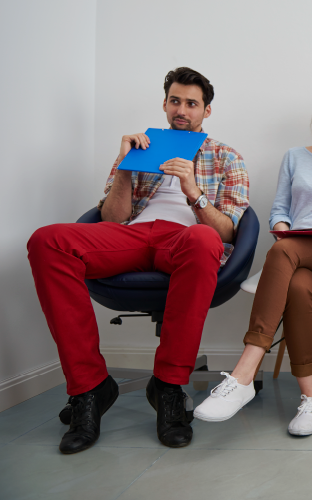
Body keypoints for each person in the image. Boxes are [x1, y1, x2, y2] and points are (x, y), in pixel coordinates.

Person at [27, 67, 250, 453]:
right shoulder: (141, 146)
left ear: (206, 111)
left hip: (186, 238)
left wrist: (193, 191)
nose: (182, 110)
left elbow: (227, 232)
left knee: (202, 239)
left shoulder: (226, 156)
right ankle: (90, 387)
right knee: (47, 241)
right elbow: (112, 218)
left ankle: (167, 385)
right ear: (164, 104)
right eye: (175, 101)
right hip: (131, 235)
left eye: (191, 104)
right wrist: (125, 166)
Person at [193, 87, 312, 437]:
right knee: (295, 283)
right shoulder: (294, 156)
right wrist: (281, 228)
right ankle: (311, 400)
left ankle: (244, 372)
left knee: (283, 252)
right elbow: (280, 209)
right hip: (296, 255)